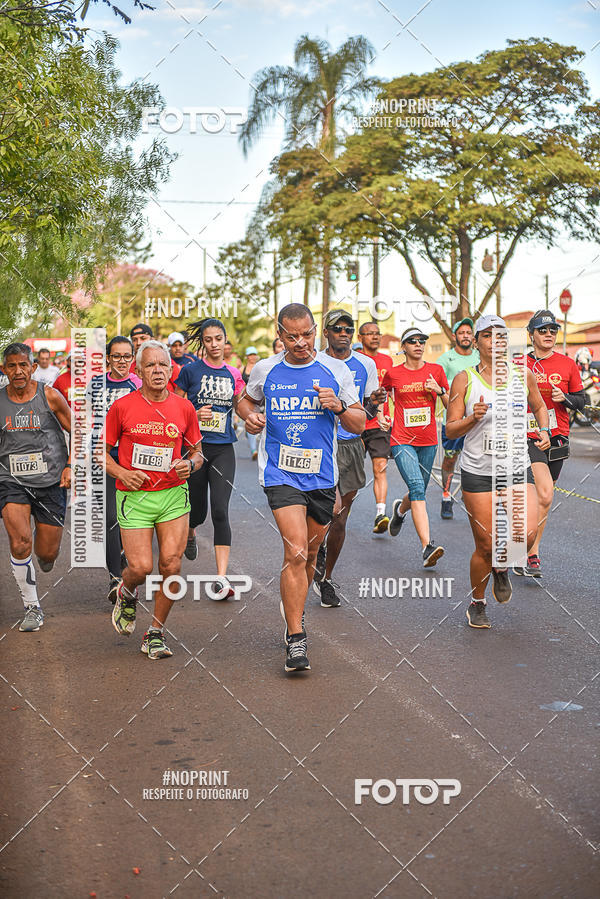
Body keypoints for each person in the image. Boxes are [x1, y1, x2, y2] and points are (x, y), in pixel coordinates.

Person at [237, 303, 363, 674]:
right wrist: (250, 417)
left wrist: (338, 406)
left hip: (322, 477)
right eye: (292, 336)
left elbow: (358, 423)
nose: (301, 342)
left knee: (309, 554)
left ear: (314, 331)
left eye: (307, 334)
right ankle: (296, 636)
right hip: (281, 474)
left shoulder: (335, 370)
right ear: (280, 335)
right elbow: (245, 400)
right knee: (294, 551)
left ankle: (295, 608)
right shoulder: (266, 369)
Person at [445, 314, 550, 628]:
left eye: (500, 336)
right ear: (477, 343)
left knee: (526, 534)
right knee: (486, 546)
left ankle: (501, 565)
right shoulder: (464, 380)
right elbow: (450, 429)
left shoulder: (523, 375)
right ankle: (477, 603)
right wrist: (472, 418)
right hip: (478, 472)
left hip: (515, 468)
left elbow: (539, 405)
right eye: (487, 335)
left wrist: (544, 429)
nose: (495, 341)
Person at [100, 340, 202, 659]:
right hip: (135, 497)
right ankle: (127, 590)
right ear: (139, 370)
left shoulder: (184, 408)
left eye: (163, 365)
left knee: (171, 563)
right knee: (141, 567)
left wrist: (190, 465)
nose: (157, 370)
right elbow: (101, 453)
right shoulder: (122, 407)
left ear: (171, 370)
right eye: (150, 365)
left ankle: (155, 633)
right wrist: (122, 472)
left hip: (173, 495)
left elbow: (198, 453)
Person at [0, 343, 71, 632]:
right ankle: (32, 607)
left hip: (50, 482)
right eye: (12, 366)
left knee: (47, 553)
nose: (18, 371)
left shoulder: (50, 396)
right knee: (20, 542)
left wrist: (70, 465)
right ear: (4, 369)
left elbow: (78, 431)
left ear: (33, 367)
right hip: (11, 481)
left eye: (23, 365)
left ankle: (44, 558)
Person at [313, 310, 380, 607]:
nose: (343, 333)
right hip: (319, 444)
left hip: (350, 445)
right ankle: (316, 547)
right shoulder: (314, 361)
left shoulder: (366, 364)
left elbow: (365, 414)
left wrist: (374, 405)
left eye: (348, 329)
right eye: (337, 328)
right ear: (325, 332)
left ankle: (326, 578)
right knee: (325, 512)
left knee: (340, 519)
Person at [175, 318, 245, 594]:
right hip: (195, 449)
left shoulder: (233, 373)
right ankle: (191, 531)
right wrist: (193, 412)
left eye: (218, 338)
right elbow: (174, 407)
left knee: (219, 509)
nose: (214, 344)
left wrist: (254, 418)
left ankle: (221, 577)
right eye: (208, 340)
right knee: (197, 511)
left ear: (225, 340)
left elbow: (242, 407)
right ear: (202, 343)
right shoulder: (190, 371)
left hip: (223, 448)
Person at [516, 310, 584, 577]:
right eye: (542, 330)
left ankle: (529, 549)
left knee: (545, 498)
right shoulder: (519, 364)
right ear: (531, 334)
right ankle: (528, 552)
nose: (548, 334)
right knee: (540, 494)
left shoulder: (567, 364)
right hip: (528, 436)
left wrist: (565, 398)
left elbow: (581, 401)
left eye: (552, 330)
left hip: (558, 436)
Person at [384, 327, 449, 567]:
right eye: (412, 341)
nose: (418, 344)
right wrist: (382, 416)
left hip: (428, 440)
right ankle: (427, 547)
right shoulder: (393, 373)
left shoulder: (436, 371)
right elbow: (382, 395)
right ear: (404, 347)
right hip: (402, 439)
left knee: (418, 488)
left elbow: (451, 404)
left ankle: (400, 511)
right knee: (417, 487)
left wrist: (439, 390)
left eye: (422, 340)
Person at [87, 336, 142, 603]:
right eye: (116, 356)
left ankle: (122, 555)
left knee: (130, 516)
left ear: (133, 358)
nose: (122, 361)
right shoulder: (95, 385)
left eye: (127, 356)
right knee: (110, 516)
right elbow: (85, 421)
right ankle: (115, 578)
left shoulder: (139, 385)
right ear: (108, 358)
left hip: (132, 458)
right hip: (102, 456)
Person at [435, 317, 479, 519]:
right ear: (454, 336)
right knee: (450, 459)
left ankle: (472, 495)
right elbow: (436, 383)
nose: (466, 336)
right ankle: (446, 496)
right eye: (462, 333)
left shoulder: (479, 356)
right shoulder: (446, 359)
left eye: (469, 332)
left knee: (478, 457)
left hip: (478, 419)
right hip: (453, 419)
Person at [357, 320, 394, 533]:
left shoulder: (387, 361)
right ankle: (343, 509)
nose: (375, 336)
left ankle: (381, 513)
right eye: (369, 333)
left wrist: (392, 417)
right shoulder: (355, 360)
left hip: (380, 424)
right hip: (356, 423)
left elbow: (392, 391)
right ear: (360, 338)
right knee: (351, 472)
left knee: (380, 468)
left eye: (377, 333)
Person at [129, 323, 181, 392]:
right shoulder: (130, 368)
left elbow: (180, 389)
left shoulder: (167, 363)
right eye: (134, 340)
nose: (138, 343)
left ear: (152, 339)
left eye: (143, 338)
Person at [240, 347, 261, 459]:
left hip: (260, 400)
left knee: (261, 423)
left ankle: (260, 449)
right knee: (251, 421)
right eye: (250, 355)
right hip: (247, 400)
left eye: (254, 355)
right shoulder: (242, 369)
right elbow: (239, 385)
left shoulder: (261, 368)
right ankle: (254, 450)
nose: (252, 357)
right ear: (247, 356)